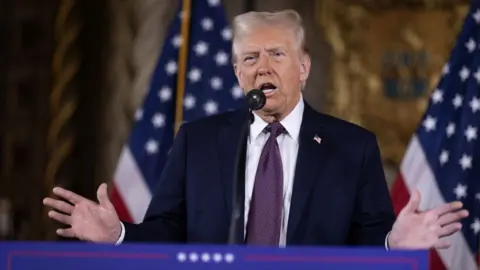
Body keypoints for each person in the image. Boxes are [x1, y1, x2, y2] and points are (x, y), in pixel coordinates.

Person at [43, 10, 468, 249]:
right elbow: (166, 230)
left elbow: (369, 238)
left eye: (276, 54)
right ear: (236, 72)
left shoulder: (352, 146)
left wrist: (396, 240)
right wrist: (117, 234)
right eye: (249, 58)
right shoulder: (198, 140)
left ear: (303, 67)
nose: (261, 67)